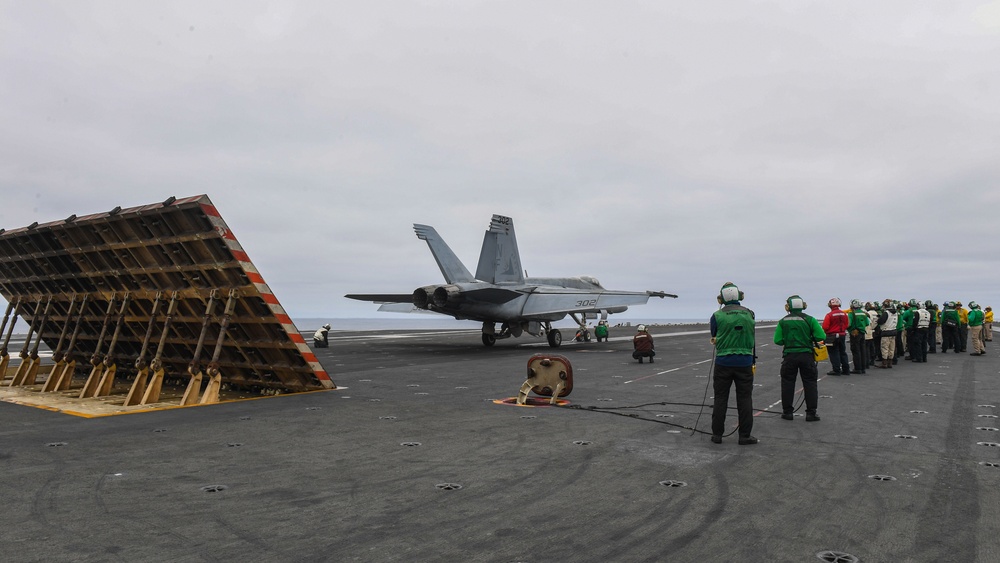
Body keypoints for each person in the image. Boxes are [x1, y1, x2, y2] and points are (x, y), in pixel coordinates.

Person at [709, 282, 757, 445]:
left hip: (723, 362)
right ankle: (744, 436)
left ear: (721, 298)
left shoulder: (717, 315)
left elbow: (714, 334)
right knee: (745, 398)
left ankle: (717, 435)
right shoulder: (750, 313)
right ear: (740, 297)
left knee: (720, 398)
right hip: (744, 362)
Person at [774, 295, 826, 422]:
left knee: (787, 383)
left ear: (788, 307)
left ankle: (787, 412)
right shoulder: (810, 319)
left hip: (789, 356)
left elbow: (778, 340)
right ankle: (811, 413)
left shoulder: (783, 321)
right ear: (803, 306)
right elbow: (821, 336)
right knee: (810, 383)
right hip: (807, 355)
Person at [822, 298, 850, 376]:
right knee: (843, 352)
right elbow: (847, 325)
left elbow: (825, 326)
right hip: (842, 335)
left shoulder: (829, 315)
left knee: (834, 353)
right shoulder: (844, 314)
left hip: (832, 336)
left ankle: (836, 370)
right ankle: (846, 369)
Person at [847, 299, 869, 374]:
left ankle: (857, 368)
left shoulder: (851, 314)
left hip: (854, 334)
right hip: (862, 333)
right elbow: (867, 323)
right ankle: (863, 368)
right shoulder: (863, 313)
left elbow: (848, 324)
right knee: (862, 350)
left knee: (856, 351)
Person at [876, 299, 899, 368]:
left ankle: (884, 363)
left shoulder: (886, 313)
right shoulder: (896, 313)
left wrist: (878, 319)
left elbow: (881, 321)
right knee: (892, 348)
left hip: (886, 331)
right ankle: (890, 362)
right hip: (893, 331)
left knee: (885, 348)